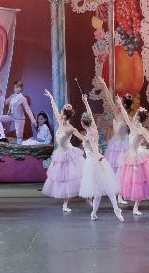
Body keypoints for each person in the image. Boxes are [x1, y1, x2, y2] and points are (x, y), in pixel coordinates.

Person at [77, 93, 124, 222]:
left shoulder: (89, 135)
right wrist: (86, 102)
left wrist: (99, 158)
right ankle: (94, 213)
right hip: (97, 160)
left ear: (82, 123)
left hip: (94, 161)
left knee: (107, 188)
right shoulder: (94, 129)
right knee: (100, 190)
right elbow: (91, 115)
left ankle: (116, 210)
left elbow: (93, 146)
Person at [41, 90, 85, 212]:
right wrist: (50, 97)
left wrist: (90, 140)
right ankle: (65, 204)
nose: (59, 113)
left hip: (68, 154)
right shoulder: (60, 122)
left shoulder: (70, 128)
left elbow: (81, 137)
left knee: (74, 178)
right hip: (60, 154)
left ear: (65, 115)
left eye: (62, 112)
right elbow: (55, 109)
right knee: (63, 178)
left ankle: (88, 197)